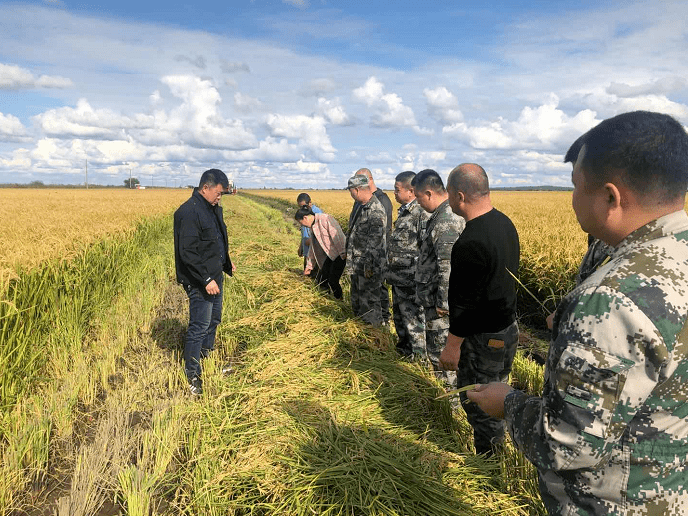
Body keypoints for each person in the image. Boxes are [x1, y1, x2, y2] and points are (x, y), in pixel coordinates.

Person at [468, 111, 688, 515]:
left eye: (574, 186)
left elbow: (569, 444)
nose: (570, 199)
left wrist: (509, 402)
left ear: (610, 196)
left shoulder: (610, 298)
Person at [439, 163, 520, 457]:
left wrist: (452, 347)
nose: (448, 200)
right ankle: (500, 451)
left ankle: (491, 466)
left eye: (448, 194)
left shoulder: (470, 241)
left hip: (484, 339)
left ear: (460, 196)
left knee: (479, 403)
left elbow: (465, 304)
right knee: (497, 396)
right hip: (506, 331)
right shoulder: (504, 223)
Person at [173, 169, 236, 396]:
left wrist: (226, 264)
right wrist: (206, 278)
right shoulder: (189, 212)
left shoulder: (211, 209)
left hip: (214, 276)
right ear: (206, 187)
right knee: (199, 326)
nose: (220, 197)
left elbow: (216, 241)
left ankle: (206, 360)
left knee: (213, 320)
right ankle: (192, 373)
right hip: (200, 280)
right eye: (219, 193)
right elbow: (187, 252)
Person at [411, 169, 465, 386]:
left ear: (430, 193)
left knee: (442, 359)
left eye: (418, 197)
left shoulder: (446, 221)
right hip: (435, 301)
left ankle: (448, 406)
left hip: (441, 307)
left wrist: (443, 302)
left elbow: (447, 266)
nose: (418, 202)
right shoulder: (440, 216)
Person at [387, 171, 428, 357]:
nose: (394, 193)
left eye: (397, 190)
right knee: (400, 319)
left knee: (414, 322)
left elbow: (426, 248)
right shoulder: (403, 212)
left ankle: (419, 360)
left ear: (411, 191)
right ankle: (404, 352)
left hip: (411, 280)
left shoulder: (421, 213)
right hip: (397, 278)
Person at [348, 168, 393, 325]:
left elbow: (375, 244)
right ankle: (361, 334)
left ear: (358, 190)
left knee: (369, 308)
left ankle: (374, 337)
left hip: (367, 270)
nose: (350, 194)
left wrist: (368, 269)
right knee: (359, 304)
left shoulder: (375, 210)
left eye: (351, 191)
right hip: (359, 267)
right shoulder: (362, 207)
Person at [295, 206, 346, 299]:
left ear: (305, 218)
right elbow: (313, 248)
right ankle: (325, 298)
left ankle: (339, 301)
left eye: (301, 222)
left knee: (333, 280)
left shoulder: (325, 219)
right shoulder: (313, 227)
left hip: (339, 254)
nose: (302, 225)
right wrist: (309, 267)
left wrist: (343, 253)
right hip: (329, 255)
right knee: (322, 279)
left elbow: (338, 236)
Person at [296, 193, 323, 277]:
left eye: (304, 206)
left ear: (310, 202)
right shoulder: (303, 213)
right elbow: (303, 232)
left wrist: (312, 240)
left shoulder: (317, 213)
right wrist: (301, 246)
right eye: (300, 207)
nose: (303, 208)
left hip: (315, 252)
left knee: (315, 275)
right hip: (307, 249)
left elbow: (321, 233)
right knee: (306, 274)